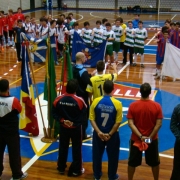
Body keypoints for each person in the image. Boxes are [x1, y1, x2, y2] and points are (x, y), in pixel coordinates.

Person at [127, 83, 163, 180]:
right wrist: (149, 137)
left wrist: (140, 136)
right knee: (155, 162)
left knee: (132, 162)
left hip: (136, 139)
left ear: (140, 92)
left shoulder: (133, 106)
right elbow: (158, 124)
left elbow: (130, 123)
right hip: (152, 139)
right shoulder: (157, 106)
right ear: (150, 93)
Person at [52, 79, 87, 177]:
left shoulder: (58, 99)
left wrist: (63, 121)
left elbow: (54, 113)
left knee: (62, 147)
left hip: (63, 128)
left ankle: (61, 168)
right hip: (75, 129)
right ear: (76, 88)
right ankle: (77, 170)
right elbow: (84, 114)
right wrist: (74, 123)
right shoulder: (80, 101)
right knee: (77, 149)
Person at [89, 80, 122, 180]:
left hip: (98, 135)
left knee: (97, 155)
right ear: (113, 89)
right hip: (112, 136)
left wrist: (99, 132)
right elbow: (117, 122)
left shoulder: (95, 101)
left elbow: (92, 119)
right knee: (113, 156)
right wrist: (110, 134)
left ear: (103, 89)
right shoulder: (118, 104)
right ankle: (112, 176)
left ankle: (97, 175)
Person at [0, 79, 28, 180]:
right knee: (14, 153)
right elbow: (19, 110)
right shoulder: (13, 101)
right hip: (11, 133)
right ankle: (17, 174)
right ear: (8, 88)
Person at [73, 52, 96, 139]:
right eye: (84, 57)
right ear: (81, 58)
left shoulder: (72, 68)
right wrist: (90, 97)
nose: (85, 59)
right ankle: (83, 135)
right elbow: (88, 84)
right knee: (84, 116)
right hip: (82, 97)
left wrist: (89, 75)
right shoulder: (83, 71)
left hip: (74, 95)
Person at [170, 104, 180, 180]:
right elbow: (173, 125)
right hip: (179, 143)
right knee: (177, 165)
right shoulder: (178, 108)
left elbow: (173, 126)